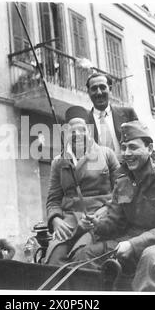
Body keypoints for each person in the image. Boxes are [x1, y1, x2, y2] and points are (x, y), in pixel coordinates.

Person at [72, 121, 155, 291]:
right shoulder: (123, 182)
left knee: (151, 257)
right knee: (85, 255)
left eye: (133, 147)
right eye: (124, 147)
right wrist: (95, 224)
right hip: (129, 240)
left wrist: (134, 244)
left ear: (149, 149)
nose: (127, 153)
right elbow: (115, 224)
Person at [45, 105, 120, 266]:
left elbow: (122, 191)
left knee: (80, 259)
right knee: (53, 261)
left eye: (82, 129)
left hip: (99, 220)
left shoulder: (107, 155)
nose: (77, 134)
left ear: (89, 131)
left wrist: (105, 210)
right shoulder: (59, 162)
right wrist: (56, 220)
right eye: (72, 130)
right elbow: (53, 200)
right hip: (70, 222)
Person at [86, 73, 138, 159]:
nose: (99, 93)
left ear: (110, 89)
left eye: (102, 87)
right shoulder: (84, 121)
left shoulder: (128, 114)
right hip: (99, 170)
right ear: (88, 92)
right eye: (94, 89)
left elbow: (142, 143)